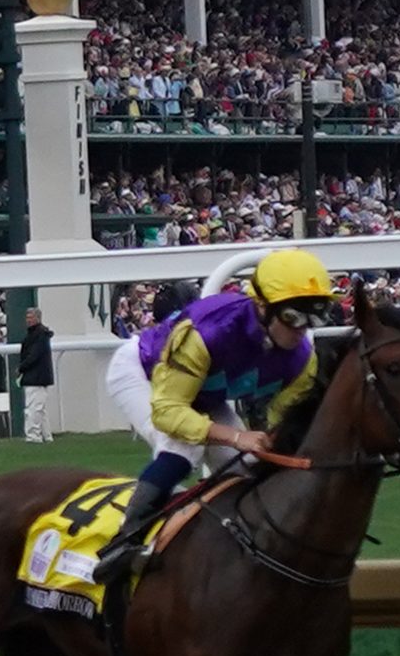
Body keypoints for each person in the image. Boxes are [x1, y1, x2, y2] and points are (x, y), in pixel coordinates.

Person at [94, 248, 340, 583]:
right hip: (142, 373)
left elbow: (289, 425)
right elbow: (168, 412)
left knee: (247, 466)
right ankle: (124, 540)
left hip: (206, 392)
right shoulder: (209, 331)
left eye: (315, 317)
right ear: (263, 307)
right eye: (294, 317)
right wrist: (238, 436)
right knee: (184, 447)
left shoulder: (301, 358)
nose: (302, 330)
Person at [17, 311, 56, 443]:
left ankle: (33, 436)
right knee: (40, 409)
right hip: (39, 376)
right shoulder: (40, 335)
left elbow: (33, 356)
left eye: (31, 317)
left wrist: (21, 368)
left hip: (36, 377)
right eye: (27, 317)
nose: (28, 320)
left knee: (33, 408)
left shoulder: (38, 335)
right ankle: (47, 436)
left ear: (38, 318)